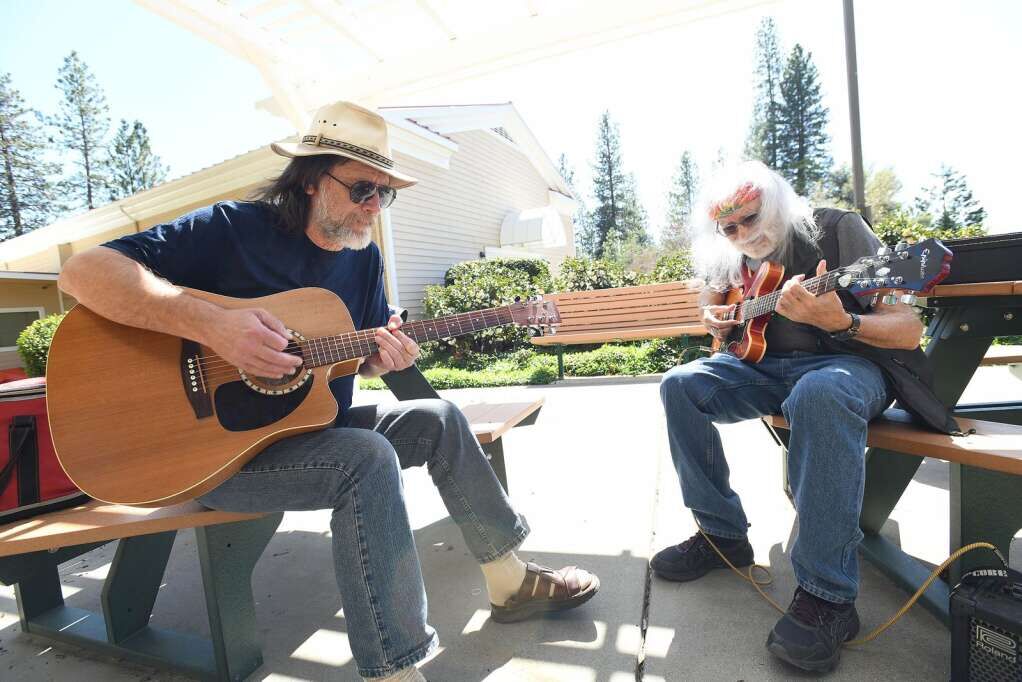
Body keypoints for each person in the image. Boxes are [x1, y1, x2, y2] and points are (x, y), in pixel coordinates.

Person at [57, 101, 599, 682]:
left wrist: (382, 356)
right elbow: (82, 273)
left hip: (311, 436)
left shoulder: (363, 263)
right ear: (312, 179)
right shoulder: (231, 231)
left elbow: (349, 363)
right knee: (365, 459)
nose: (373, 206)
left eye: (384, 193)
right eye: (363, 187)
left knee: (438, 416)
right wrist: (211, 325)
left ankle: (508, 580)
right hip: (218, 461)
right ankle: (395, 669)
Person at [651, 161, 952, 673]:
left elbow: (906, 331)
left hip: (847, 365)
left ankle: (828, 597)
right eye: (730, 228)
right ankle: (722, 533)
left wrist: (845, 320)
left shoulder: (837, 230)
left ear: (777, 205)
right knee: (680, 385)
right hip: (763, 367)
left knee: (819, 391)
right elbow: (721, 310)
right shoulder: (734, 259)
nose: (744, 234)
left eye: (751, 218)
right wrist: (720, 319)